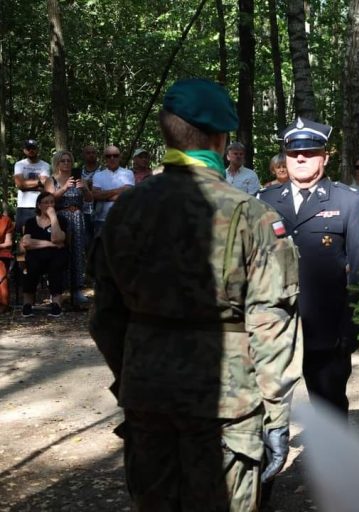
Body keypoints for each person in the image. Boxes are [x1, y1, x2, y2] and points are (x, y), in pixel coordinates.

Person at [88, 78, 303, 511]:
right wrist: (276, 417)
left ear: (167, 135)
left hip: (148, 397)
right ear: (221, 140)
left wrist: (133, 376)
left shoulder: (127, 209)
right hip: (229, 407)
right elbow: (271, 325)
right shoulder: (253, 215)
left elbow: (105, 318)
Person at [258, 117, 359, 415]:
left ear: (325, 156)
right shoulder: (263, 201)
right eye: (294, 153)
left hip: (327, 331)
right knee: (269, 416)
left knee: (329, 411)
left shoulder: (348, 202)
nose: (301, 158)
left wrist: (352, 326)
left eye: (310, 152)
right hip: (274, 329)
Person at [44, 150, 93, 305]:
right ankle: (58, 291)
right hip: (60, 219)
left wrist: (84, 189)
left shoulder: (80, 179)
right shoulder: (51, 180)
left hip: (78, 218)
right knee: (60, 253)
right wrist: (64, 187)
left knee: (78, 252)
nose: (66, 163)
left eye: (69, 161)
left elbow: (90, 199)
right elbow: (48, 200)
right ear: (57, 163)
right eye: (63, 161)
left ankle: (77, 290)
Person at [21, 192, 68, 318]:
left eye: (52, 202)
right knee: (32, 267)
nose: (49, 205)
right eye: (46, 202)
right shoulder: (30, 222)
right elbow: (26, 243)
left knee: (55, 266)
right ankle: (27, 304)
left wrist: (53, 218)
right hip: (36, 256)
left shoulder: (61, 220)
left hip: (56, 255)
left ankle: (56, 304)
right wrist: (50, 244)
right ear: (39, 205)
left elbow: (58, 239)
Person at [92, 146, 134, 236]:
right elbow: (96, 195)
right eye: (108, 156)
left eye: (115, 155)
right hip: (101, 220)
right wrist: (120, 190)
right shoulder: (98, 175)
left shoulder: (128, 173)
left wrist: (104, 196)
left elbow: (128, 195)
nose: (112, 158)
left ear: (120, 157)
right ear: (104, 158)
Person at [13, 139, 51, 235]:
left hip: (40, 205)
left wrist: (26, 185)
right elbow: (20, 184)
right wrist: (38, 182)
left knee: (40, 234)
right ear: (24, 150)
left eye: (33, 148)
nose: (31, 150)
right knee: (23, 235)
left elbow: (45, 183)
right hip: (23, 205)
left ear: (37, 149)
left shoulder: (45, 165)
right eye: (28, 148)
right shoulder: (19, 164)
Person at [0, 203, 13, 314]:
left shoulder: (5, 220)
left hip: (1, 253)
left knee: (1, 269)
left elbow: (8, 243)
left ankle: (3, 304)